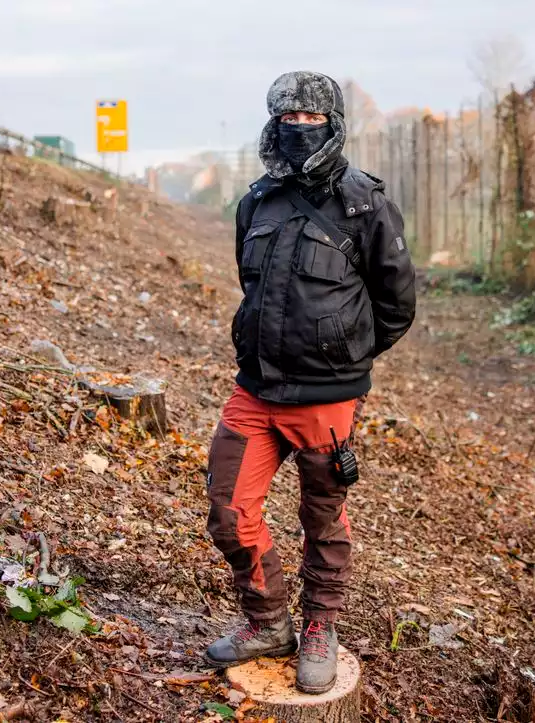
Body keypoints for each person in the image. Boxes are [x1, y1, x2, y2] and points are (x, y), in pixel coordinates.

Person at [203, 70, 416, 694]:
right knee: (228, 511)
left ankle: (320, 628)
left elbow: (396, 304)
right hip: (256, 390)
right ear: (274, 123)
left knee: (323, 520)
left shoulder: (364, 203)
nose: (299, 128)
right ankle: (267, 622)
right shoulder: (257, 201)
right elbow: (252, 282)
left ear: (334, 122)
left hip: (327, 400)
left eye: (311, 119)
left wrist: (343, 356)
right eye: (288, 119)